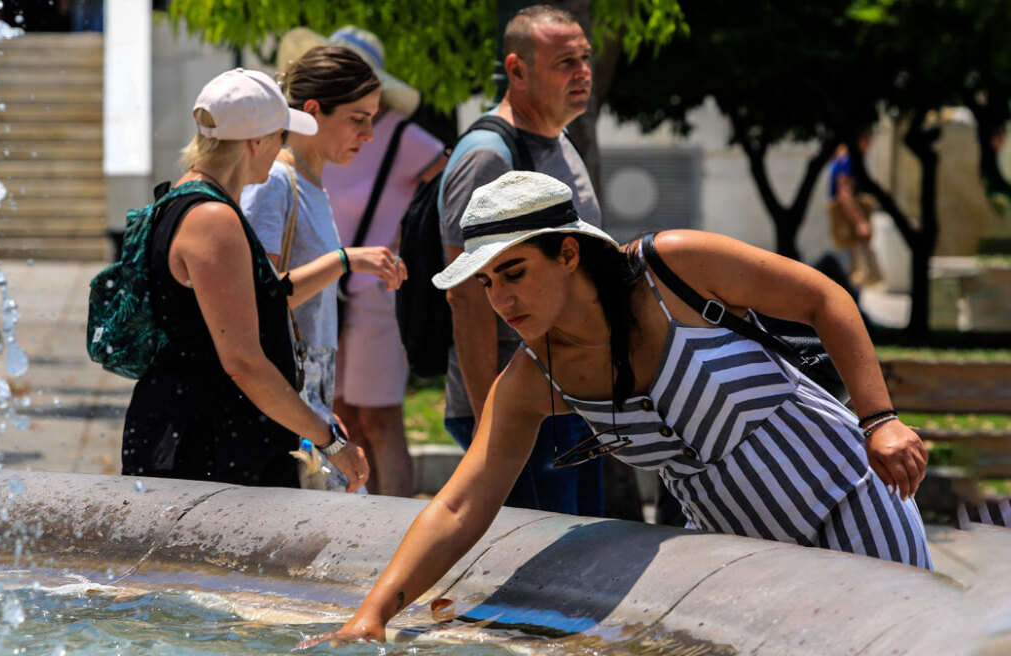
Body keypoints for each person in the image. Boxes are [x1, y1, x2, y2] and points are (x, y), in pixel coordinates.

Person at [322, 170, 932, 642]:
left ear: (568, 253)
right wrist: (372, 616)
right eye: (486, 283)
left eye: (512, 272)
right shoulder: (534, 376)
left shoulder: (673, 267)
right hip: (740, 551)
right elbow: (458, 505)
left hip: (849, 501)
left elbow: (825, 298)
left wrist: (880, 420)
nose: (500, 299)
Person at [121, 68, 370, 491]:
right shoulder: (212, 219)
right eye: (279, 136)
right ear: (255, 142)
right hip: (207, 452)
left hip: (203, 439)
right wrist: (330, 442)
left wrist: (308, 412)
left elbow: (264, 305)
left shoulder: (190, 201)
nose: (282, 148)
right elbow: (243, 362)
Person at [439, 4, 629, 518]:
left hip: (569, 399)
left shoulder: (559, 139)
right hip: (519, 406)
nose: (583, 72)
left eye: (585, 58)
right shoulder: (490, 155)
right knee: (539, 575)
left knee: (579, 564)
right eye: (565, 62)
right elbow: (466, 294)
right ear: (517, 70)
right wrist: (490, 425)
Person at [278, 25, 446, 497]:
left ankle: (392, 534)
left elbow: (446, 186)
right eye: (357, 118)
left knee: (378, 417)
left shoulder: (396, 136)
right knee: (345, 416)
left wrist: (403, 241)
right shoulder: (293, 173)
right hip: (327, 300)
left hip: (372, 294)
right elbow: (266, 292)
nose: (367, 133)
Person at [241, 46, 408, 430]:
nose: (368, 135)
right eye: (357, 120)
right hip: (273, 405)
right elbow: (256, 302)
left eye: (371, 120)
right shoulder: (276, 182)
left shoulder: (309, 184)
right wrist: (346, 260)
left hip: (301, 398)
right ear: (313, 111)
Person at [826, 127, 882, 292]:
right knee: (851, 280)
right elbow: (844, 194)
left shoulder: (842, 157)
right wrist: (861, 222)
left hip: (847, 228)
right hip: (849, 228)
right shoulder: (848, 159)